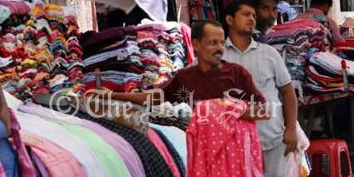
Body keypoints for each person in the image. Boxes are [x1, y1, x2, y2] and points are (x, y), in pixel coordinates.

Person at [220, 0, 306, 177]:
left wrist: (290, 129)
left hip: (272, 139)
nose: (252, 19)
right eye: (245, 14)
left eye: (252, 15)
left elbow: (287, 91)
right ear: (229, 19)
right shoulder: (218, 55)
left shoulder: (269, 54)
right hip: (233, 144)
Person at [105, 20, 269, 119]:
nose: (219, 48)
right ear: (196, 45)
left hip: (235, 155)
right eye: (213, 43)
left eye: (221, 43)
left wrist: (226, 110)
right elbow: (155, 97)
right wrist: (112, 95)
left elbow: (264, 110)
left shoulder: (237, 73)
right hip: (203, 152)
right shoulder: (185, 77)